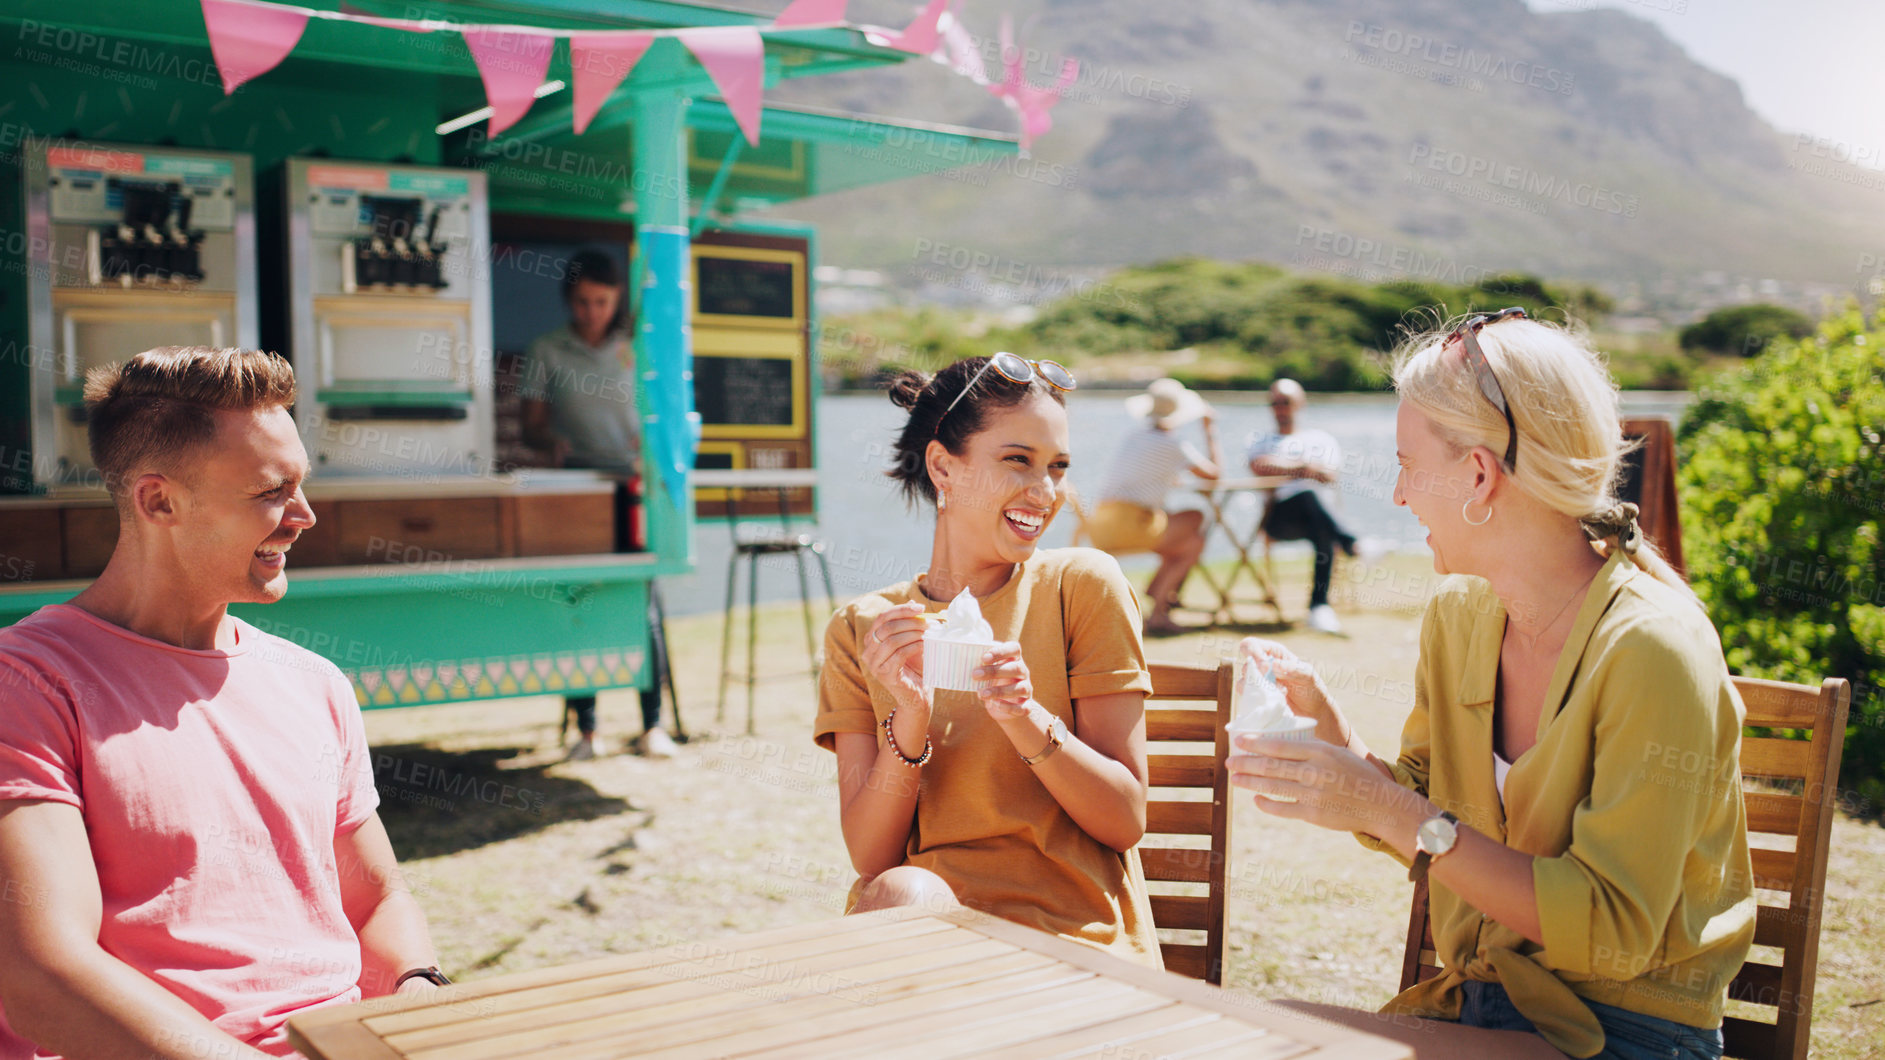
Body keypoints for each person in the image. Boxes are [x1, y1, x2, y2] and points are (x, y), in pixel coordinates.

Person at [1227, 311, 1753, 1059]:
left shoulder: (1650, 647)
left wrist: (1386, 807)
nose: (1400, 495)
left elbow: (1612, 933)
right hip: (1481, 1009)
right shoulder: (1460, 614)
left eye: (1408, 464)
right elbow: (1428, 812)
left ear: (1478, 474)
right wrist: (1336, 746)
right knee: (1254, 1033)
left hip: (1623, 1032)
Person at [0, 347, 446, 1060]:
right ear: (159, 502)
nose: (303, 516)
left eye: (300, 486)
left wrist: (419, 992)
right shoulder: (26, 685)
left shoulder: (314, 682)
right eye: (271, 492)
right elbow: (41, 978)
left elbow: (377, 900)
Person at [813, 353, 1162, 968]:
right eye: (1017, 460)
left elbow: (1124, 819)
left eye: (1058, 467)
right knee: (897, 889)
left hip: (1076, 941)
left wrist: (1024, 715)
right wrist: (909, 713)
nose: (1046, 492)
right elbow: (871, 858)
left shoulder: (1081, 584)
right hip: (926, 937)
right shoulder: (863, 629)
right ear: (944, 467)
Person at [519, 248, 675, 760]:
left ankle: (653, 725)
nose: (592, 312)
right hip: (575, 486)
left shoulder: (640, 347)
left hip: (633, 487)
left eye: (602, 302)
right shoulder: (546, 348)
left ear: (616, 301)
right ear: (569, 299)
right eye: (583, 302)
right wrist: (549, 443)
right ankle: (587, 731)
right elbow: (530, 426)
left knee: (641, 602)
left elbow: (665, 416)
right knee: (577, 601)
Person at [1087, 378, 1222, 636]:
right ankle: (1158, 611)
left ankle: (1157, 593)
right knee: (1195, 527)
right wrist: (1210, 430)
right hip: (1130, 525)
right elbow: (1214, 475)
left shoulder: (1134, 436)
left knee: (1188, 536)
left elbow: (1140, 476)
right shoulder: (1173, 445)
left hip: (1101, 522)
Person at [1246, 378, 1359, 634]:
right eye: (1274, 403)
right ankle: (1353, 543)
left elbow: (1330, 475)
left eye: (1285, 402)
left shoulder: (1320, 439)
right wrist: (1304, 469)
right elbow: (1259, 466)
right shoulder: (1260, 440)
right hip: (1279, 518)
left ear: (1300, 403)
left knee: (1322, 528)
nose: (1279, 408)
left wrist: (1287, 468)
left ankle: (1319, 608)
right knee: (1308, 495)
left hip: (1317, 519)